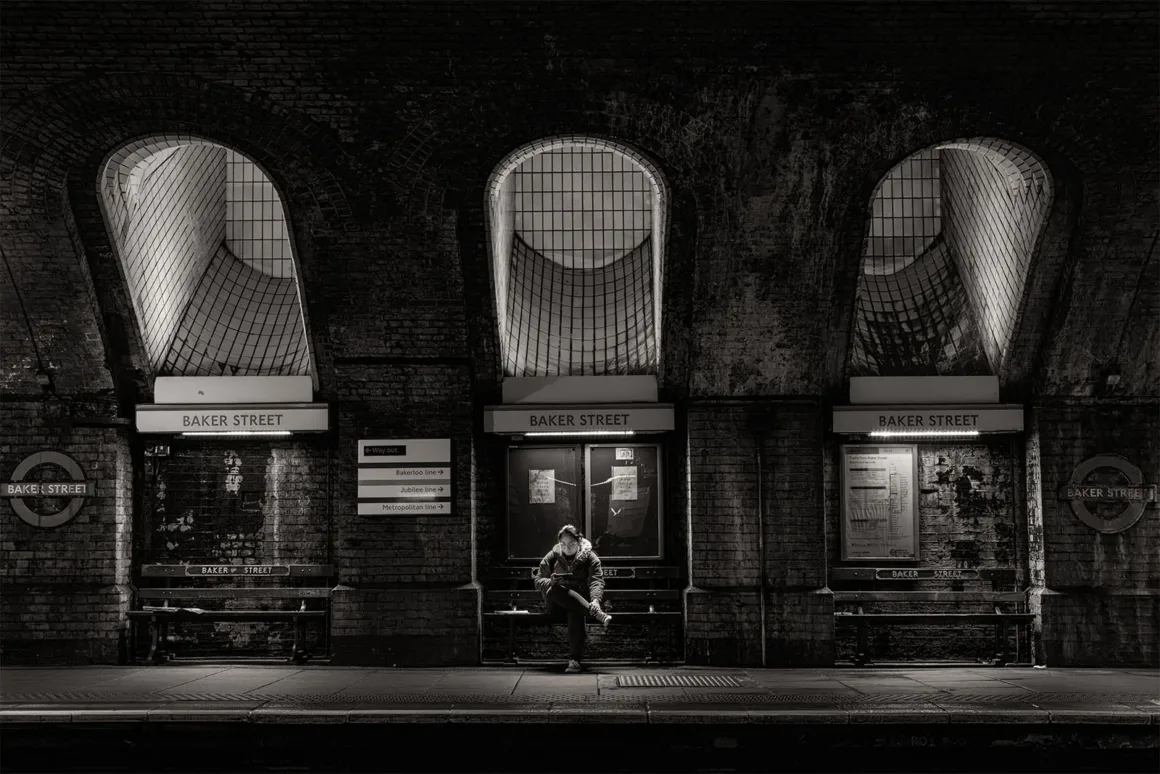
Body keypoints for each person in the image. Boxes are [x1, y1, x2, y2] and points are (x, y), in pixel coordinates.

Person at [534, 524, 612, 673]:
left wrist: (595, 600)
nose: (567, 548)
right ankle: (595, 613)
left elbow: (596, 580)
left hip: (578, 605)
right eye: (563, 544)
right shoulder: (552, 557)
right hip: (555, 605)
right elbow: (538, 580)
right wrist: (551, 582)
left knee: (574, 611)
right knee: (556, 589)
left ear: (579, 541)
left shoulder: (590, 557)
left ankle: (574, 661)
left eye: (571, 544)